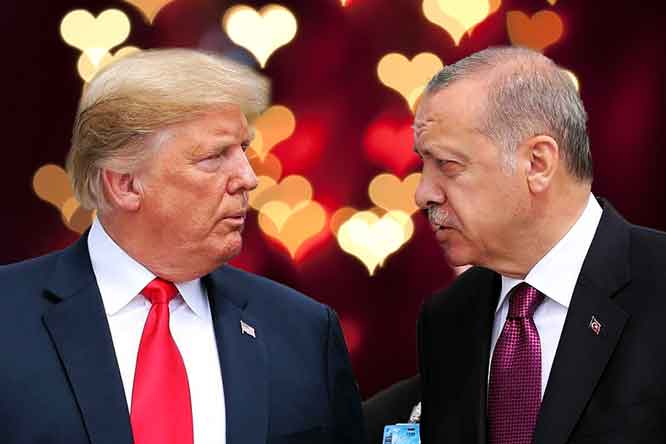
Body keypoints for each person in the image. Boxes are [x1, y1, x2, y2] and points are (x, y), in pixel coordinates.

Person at [0, 49, 365, 444]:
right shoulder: (8, 317)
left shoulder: (304, 333)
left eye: (243, 150)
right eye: (215, 156)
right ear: (125, 184)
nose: (248, 178)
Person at [414, 46, 666, 444]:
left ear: (537, 163)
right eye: (423, 165)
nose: (423, 193)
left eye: (447, 165)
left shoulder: (658, 284)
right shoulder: (447, 317)